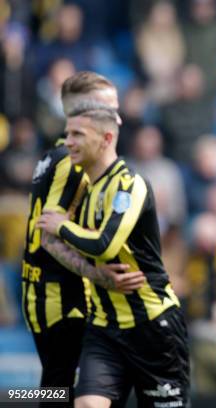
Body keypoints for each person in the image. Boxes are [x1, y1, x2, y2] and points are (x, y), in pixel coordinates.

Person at [37, 101, 190, 408]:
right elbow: (46, 239)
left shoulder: (129, 184)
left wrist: (62, 226)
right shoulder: (85, 188)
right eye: (68, 134)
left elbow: (104, 244)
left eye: (78, 134)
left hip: (153, 326)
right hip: (104, 327)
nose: (68, 142)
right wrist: (93, 272)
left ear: (106, 139)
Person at [21, 71, 145, 404]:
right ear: (81, 112)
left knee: (61, 386)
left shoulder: (55, 153)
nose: (117, 116)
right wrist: (100, 276)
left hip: (47, 289)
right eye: (109, 107)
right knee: (62, 388)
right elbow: (49, 234)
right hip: (60, 295)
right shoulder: (72, 163)